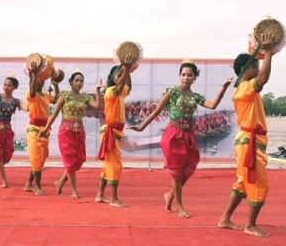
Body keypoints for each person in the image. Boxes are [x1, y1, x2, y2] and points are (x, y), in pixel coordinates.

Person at [128, 59, 233, 218]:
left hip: (189, 135)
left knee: (188, 169)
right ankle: (180, 207)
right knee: (176, 172)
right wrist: (142, 126)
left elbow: (212, 106)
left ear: (194, 77)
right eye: (183, 75)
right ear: (179, 76)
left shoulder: (195, 96)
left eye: (189, 75)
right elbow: (156, 111)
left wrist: (223, 89)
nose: (186, 78)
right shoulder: (172, 92)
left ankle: (170, 194)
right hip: (173, 135)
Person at [218, 33, 274, 237]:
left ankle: (225, 219)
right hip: (249, 141)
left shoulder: (245, 89)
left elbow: (261, 79)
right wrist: (268, 52)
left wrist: (267, 53)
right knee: (259, 184)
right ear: (244, 70)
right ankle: (250, 225)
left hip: (248, 140)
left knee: (242, 182)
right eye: (254, 66)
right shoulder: (244, 88)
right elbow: (263, 79)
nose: (257, 69)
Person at [39, 70, 103, 199]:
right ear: (71, 82)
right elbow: (55, 113)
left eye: (81, 81)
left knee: (78, 161)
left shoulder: (85, 98)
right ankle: (74, 191)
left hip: (79, 132)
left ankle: (60, 182)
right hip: (66, 132)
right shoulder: (65, 95)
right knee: (69, 162)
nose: (79, 83)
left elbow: (98, 106)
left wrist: (97, 90)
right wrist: (46, 128)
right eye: (76, 80)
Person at [95, 54, 136, 207]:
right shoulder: (111, 91)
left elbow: (128, 87)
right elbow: (120, 86)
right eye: (118, 75)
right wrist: (125, 68)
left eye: (122, 74)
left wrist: (128, 69)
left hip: (115, 132)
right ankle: (113, 198)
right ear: (113, 78)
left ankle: (100, 194)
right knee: (115, 165)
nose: (122, 77)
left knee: (108, 165)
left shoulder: (121, 90)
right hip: (110, 132)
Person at [23, 61, 60, 195]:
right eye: (36, 80)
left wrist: (56, 85)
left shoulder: (45, 95)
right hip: (34, 129)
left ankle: (28, 184)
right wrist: (34, 74)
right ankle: (37, 186)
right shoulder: (30, 94)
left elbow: (56, 100)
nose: (39, 82)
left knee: (40, 159)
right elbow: (33, 89)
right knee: (37, 158)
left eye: (41, 80)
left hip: (44, 130)